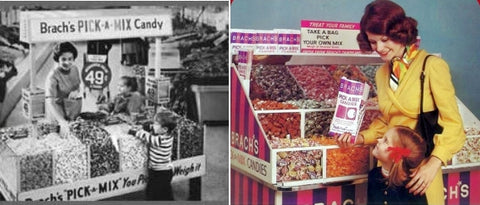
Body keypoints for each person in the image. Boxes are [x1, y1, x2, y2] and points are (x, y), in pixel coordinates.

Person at [336, 1, 466, 204]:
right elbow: (388, 122)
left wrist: (433, 164)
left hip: (420, 173)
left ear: (400, 34)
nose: (379, 48)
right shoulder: (381, 74)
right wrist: (360, 138)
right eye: (373, 42)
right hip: (390, 172)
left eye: (384, 39)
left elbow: (454, 125)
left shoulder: (432, 66)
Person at [127, 107, 179, 200]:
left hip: (162, 173)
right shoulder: (168, 134)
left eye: (155, 124)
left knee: (157, 194)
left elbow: (147, 137)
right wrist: (149, 126)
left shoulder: (160, 140)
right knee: (159, 191)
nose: (153, 125)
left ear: (164, 129)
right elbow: (155, 129)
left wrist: (135, 132)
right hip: (159, 171)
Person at [368, 126, 427, 205]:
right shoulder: (374, 174)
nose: (379, 140)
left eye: (386, 141)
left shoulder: (413, 187)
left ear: (396, 156)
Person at [45, 42, 82, 130]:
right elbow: (50, 100)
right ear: (58, 59)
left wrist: (76, 91)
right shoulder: (53, 76)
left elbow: (78, 86)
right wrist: (61, 121)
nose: (67, 62)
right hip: (57, 114)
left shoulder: (74, 69)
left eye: (70, 59)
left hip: (71, 111)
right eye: (63, 59)